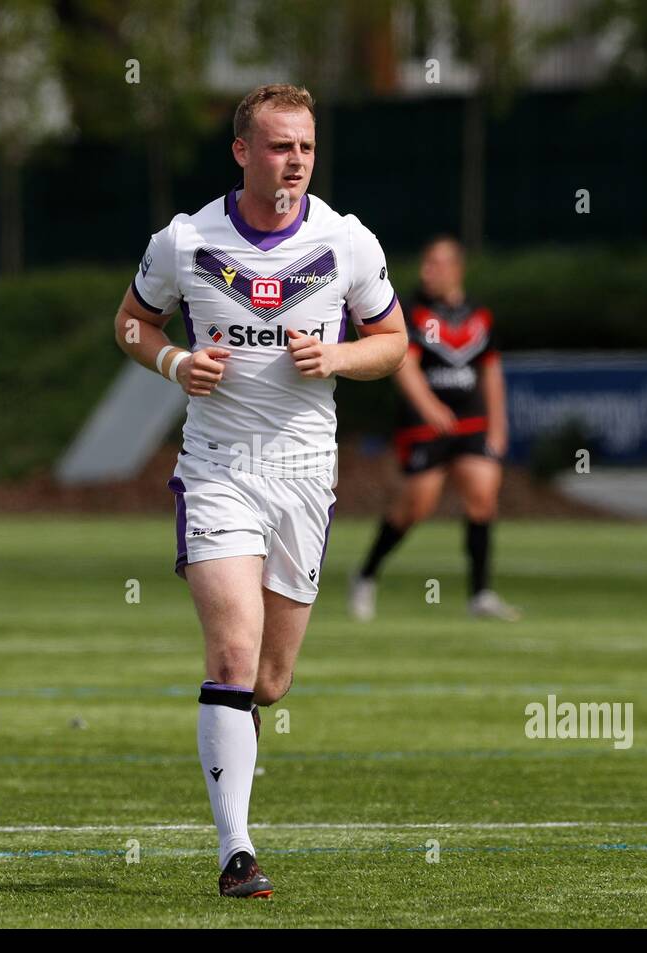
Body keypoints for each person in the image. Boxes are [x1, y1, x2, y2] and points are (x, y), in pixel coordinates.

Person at [113, 84, 407, 898]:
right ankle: (236, 851)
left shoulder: (347, 242)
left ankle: (236, 732)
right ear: (242, 152)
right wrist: (176, 362)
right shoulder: (184, 241)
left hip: (307, 476)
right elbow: (133, 323)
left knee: (269, 681)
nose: (296, 161)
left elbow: (393, 343)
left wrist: (336, 357)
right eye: (280, 146)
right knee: (232, 658)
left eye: (306, 147)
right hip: (216, 468)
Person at [349, 236, 521, 621]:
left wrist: (499, 424)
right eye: (426, 263)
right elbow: (403, 364)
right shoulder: (411, 311)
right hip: (424, 424)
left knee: (482, 494)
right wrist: (429, 407)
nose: (429, 271)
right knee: (416, 506)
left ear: (457, 269)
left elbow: (490, 371)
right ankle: (366, 574)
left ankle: (481, 593)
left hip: (472, 420)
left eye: (437, 264)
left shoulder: (479, 315)